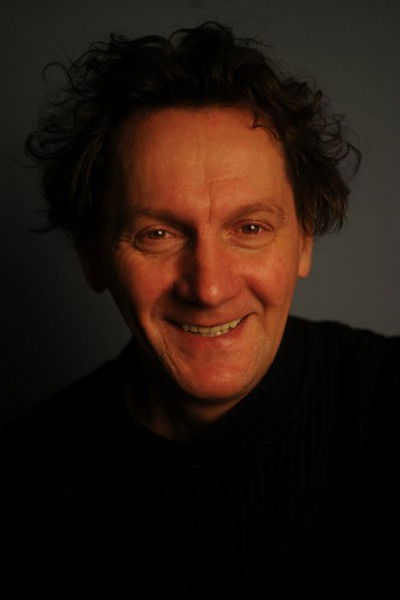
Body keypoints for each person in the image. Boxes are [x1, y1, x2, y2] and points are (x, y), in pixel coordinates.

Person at [1, 22, 399, 598]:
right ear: (93, 256)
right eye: (158, 234)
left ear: (305, 240)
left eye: (250, 228)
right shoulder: (22, 483)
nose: (208, 288)